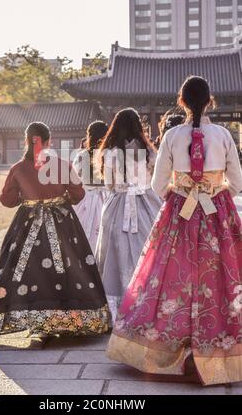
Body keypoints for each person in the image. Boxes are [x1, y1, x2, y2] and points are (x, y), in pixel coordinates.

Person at [107, 76, 242, 386]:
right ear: (210, 100)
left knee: (168, 276)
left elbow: (157, 185)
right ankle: (217, 348)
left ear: (181, 101)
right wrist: (214, 193)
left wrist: (179, 191)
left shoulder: (171, 136)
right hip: (215, 214)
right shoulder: (222, 135)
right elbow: (237, 181)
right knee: (219, 277)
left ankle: (168, 347)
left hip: (179, 214)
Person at [0, 122, 109, 338]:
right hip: (62, 221)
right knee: (71, 264)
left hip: (28, 221)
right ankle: (70, 317)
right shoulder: (62, 164)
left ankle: (32, 317)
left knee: (22, 266)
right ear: (49, 141)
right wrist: (61, 200)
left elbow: (8, 199)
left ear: (26, 141)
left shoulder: (18, 169)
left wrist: (25, 198)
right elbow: (78, 194)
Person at [95, 108, 162, 322]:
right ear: (138, 126)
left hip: (118, 204)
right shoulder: (149, 151)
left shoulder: (110, 152)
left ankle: (116, 306)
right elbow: (155, 180)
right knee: (148, 248)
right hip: (146, 202)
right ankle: (148, 301)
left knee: (114, 253)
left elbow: (109, 184)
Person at [73, 121, 109, 254]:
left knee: (84, 233)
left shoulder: (82, 155)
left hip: (86, 198)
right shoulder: (111, 154)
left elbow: (75, 178)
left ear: (89, 136)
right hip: (107, 196)